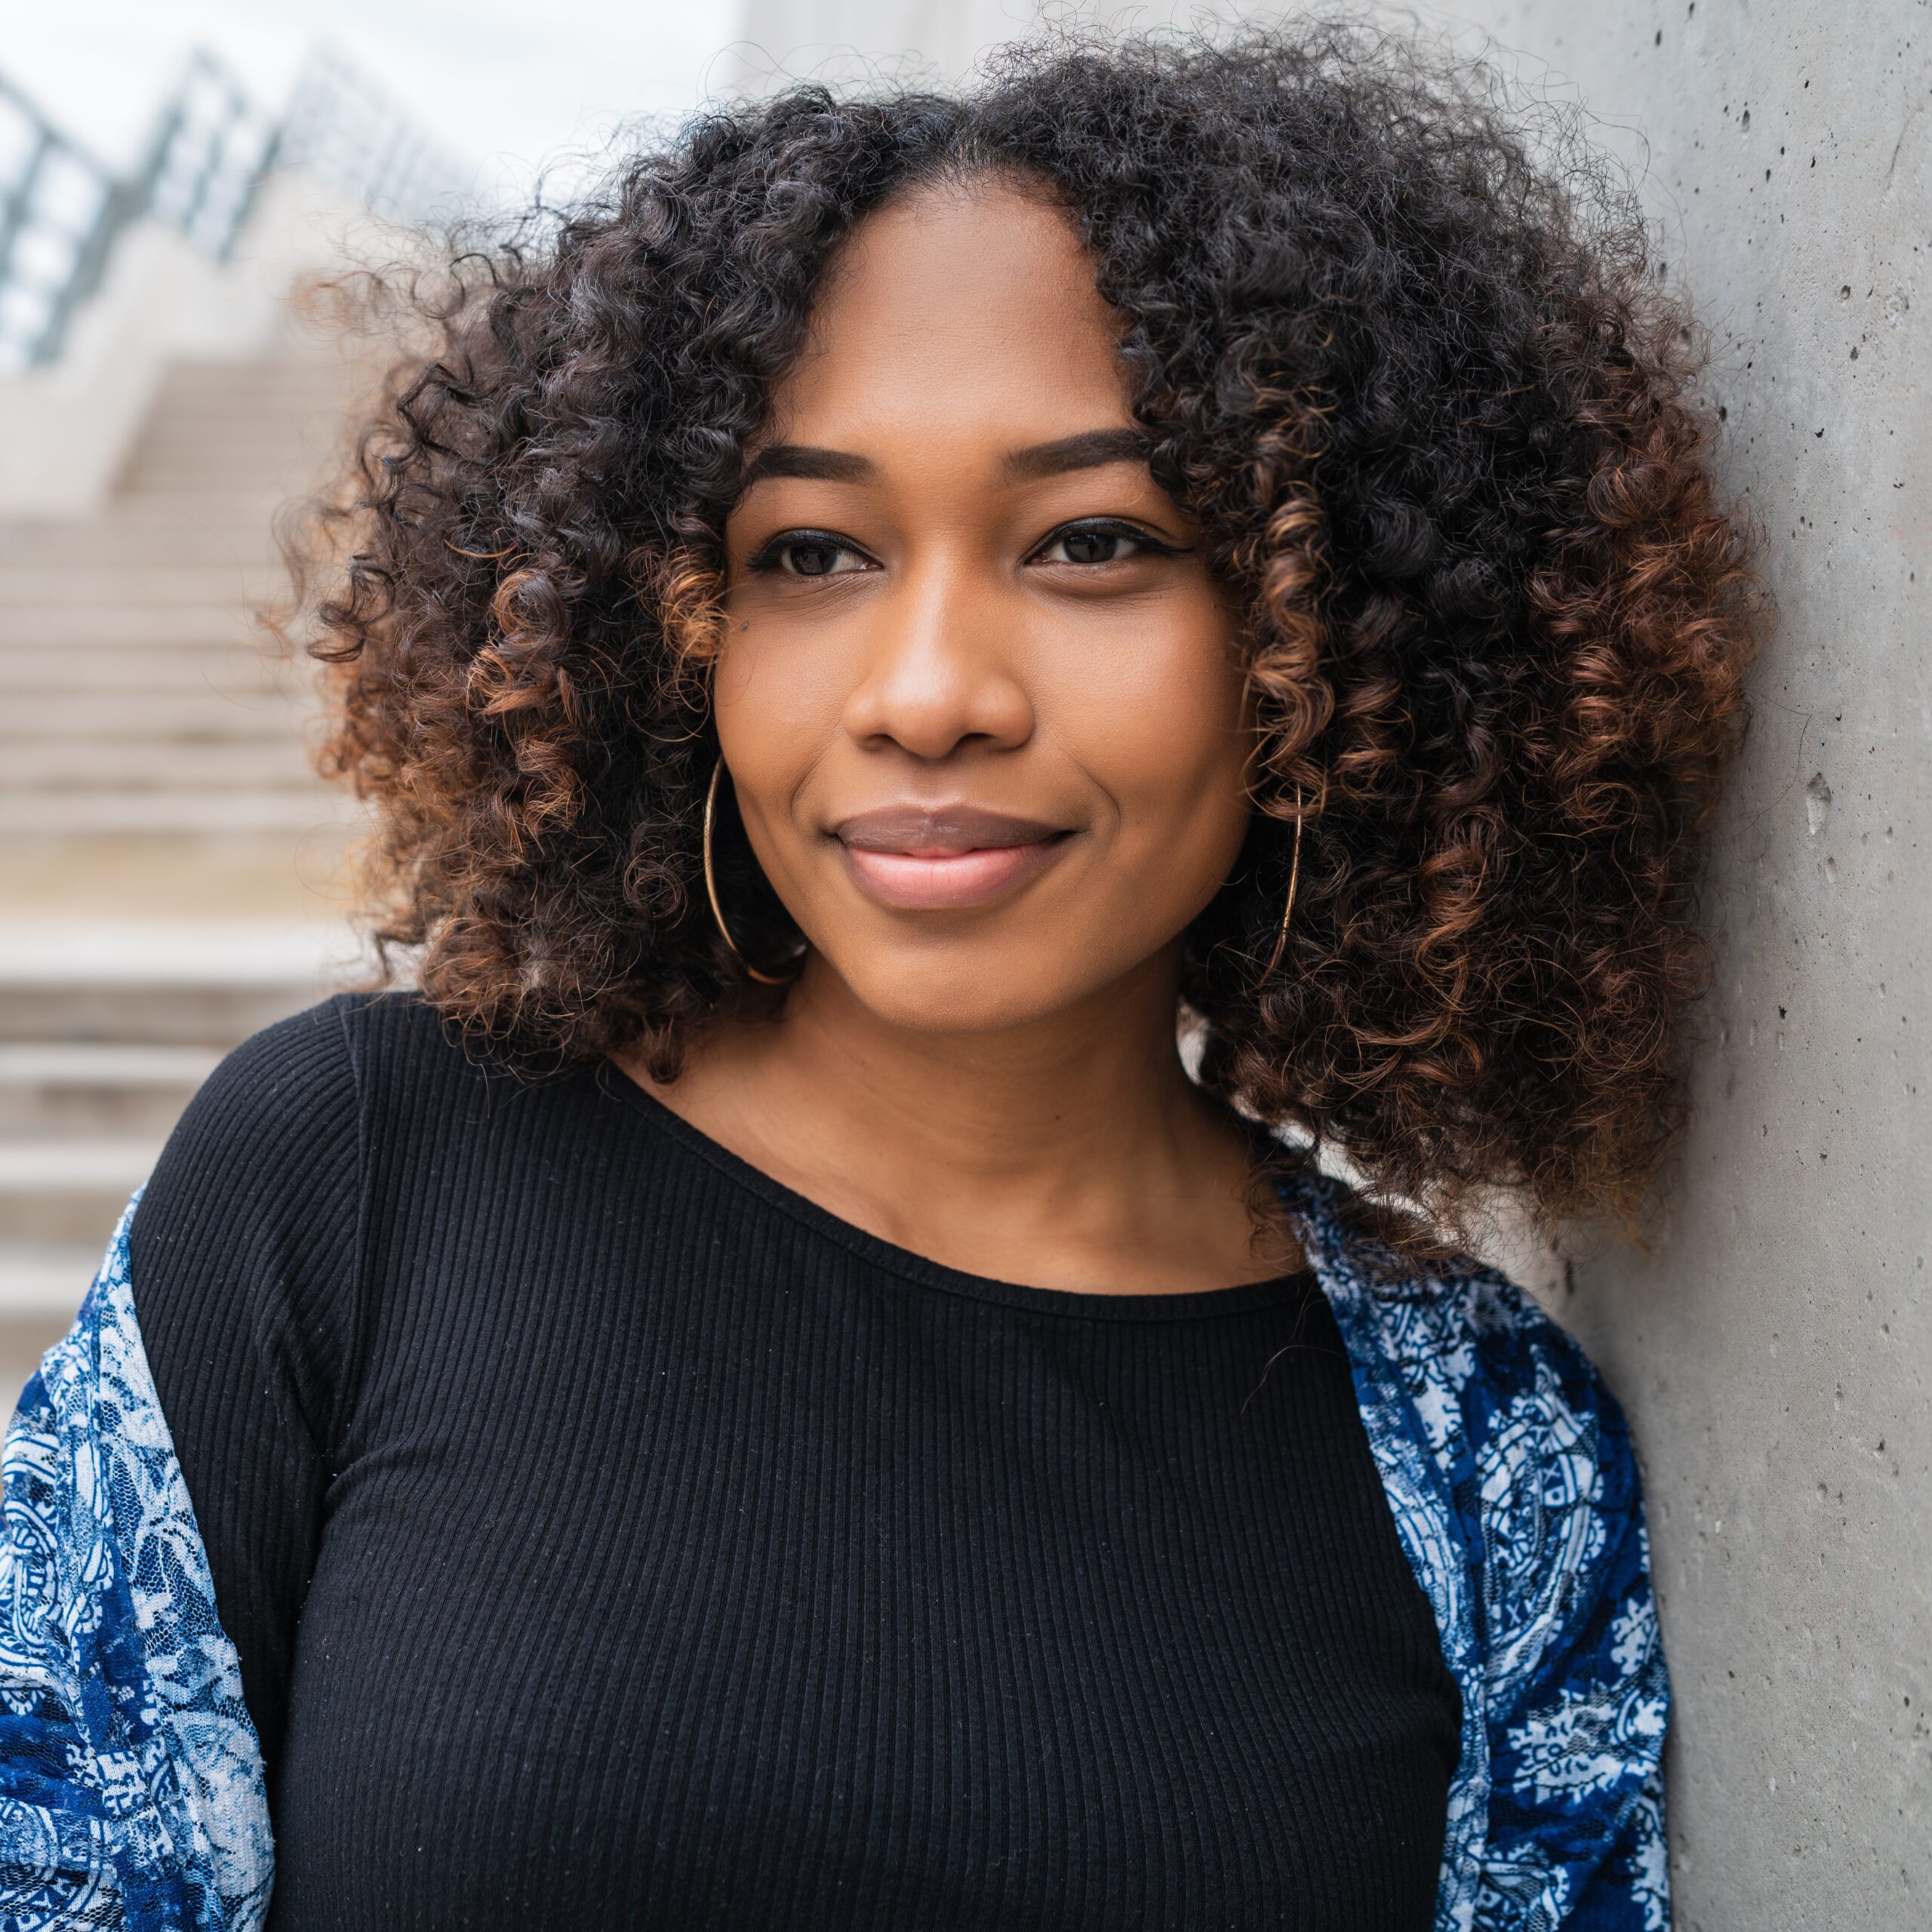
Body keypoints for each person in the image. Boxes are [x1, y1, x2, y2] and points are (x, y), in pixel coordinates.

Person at [0, 26, 1753, 1932]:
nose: (925, 689)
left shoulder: (1482, 1456)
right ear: (671, 634)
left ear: (1334, 637)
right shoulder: (350, 1177)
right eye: (812, 549)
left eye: (1092, 542)